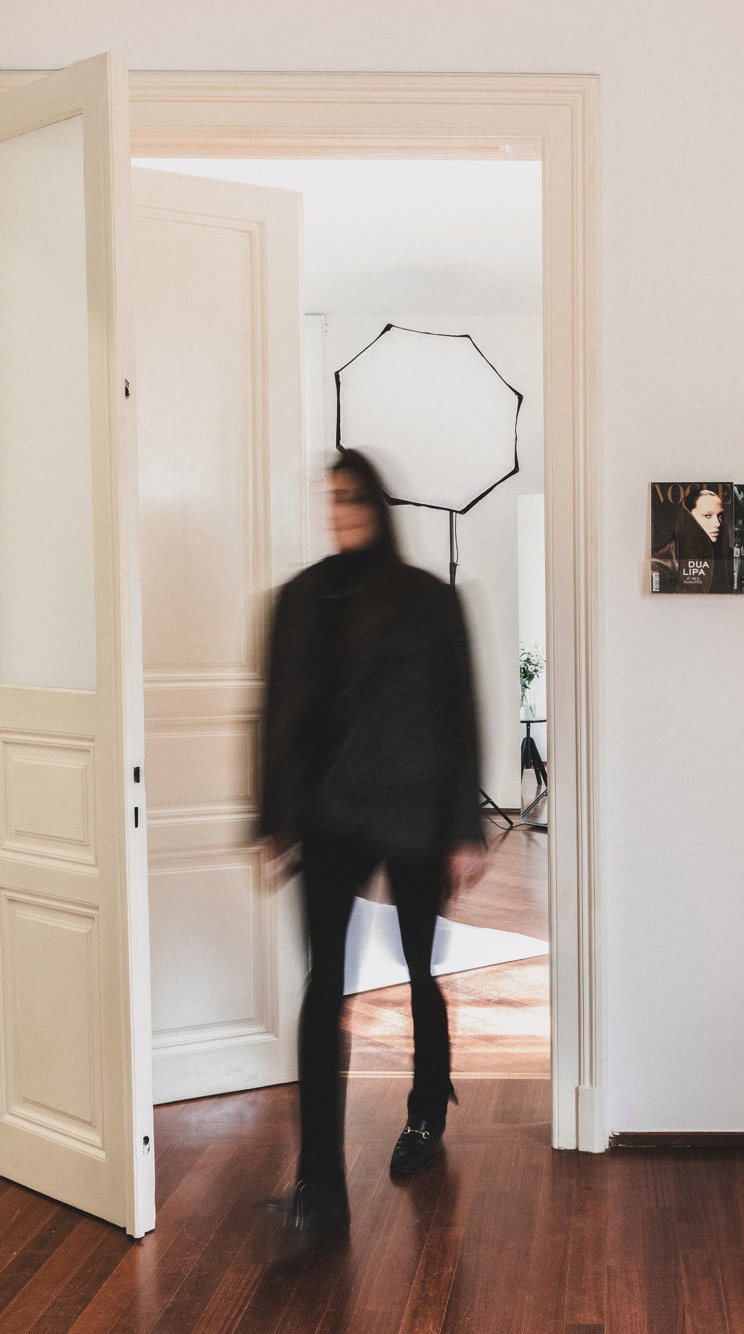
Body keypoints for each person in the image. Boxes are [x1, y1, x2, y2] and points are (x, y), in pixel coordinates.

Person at [256, 448, 488, 1234]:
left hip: (416, 813)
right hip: (327, 817)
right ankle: (319, 1181)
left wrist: (465, 828)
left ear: (379, 504)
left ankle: (427, 1111)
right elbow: (273, 710)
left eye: (352, 497)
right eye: (330, 498)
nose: (339, 510)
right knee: (325, 988)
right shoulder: (299, 598)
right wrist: (270, 816)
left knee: (422, 969)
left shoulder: (429, 600)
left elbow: (461, 713)